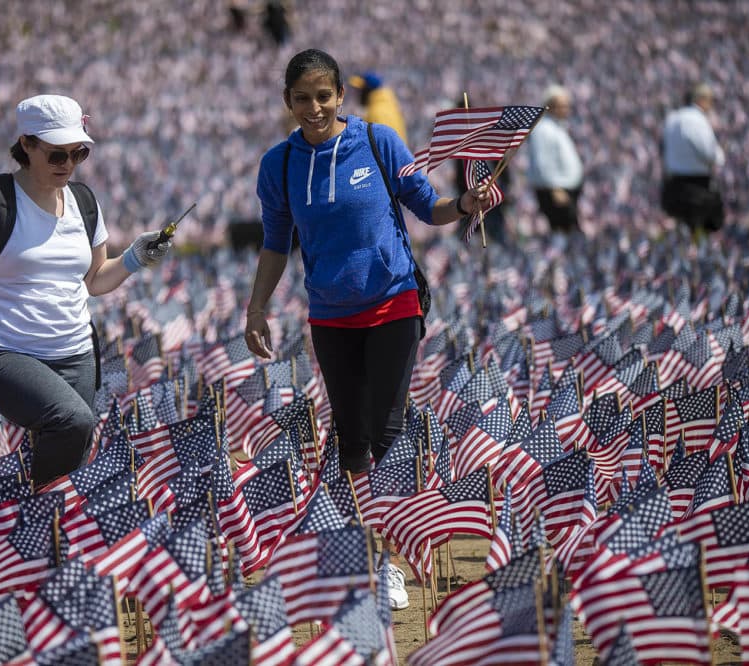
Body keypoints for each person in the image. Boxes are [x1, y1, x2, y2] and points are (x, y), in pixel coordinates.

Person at [244, 48, 488, 611]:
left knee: (388, 429)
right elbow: (276, 243)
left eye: (323, 96)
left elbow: (429, 207)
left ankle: (395, 560)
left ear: (340, 97)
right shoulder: (278, 166)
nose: (313, 107)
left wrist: (467, 203)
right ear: (288, 101)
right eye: (302, 98)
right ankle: (368, 557)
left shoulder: (379, 143)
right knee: (350, 437)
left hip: (394, 302)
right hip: (330, 314)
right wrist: (256, 308)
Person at [0, 94, 170, 488]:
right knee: (74, 422)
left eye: (79, 154)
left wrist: (135, 258)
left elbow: (94, 280)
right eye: (57, 155)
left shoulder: (84, 201)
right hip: (5, 349)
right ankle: (35, 516)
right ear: (26, 144)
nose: (69, 165)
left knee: (69, 464)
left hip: (75, 350)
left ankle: (52, 538)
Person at [661, 82, 726, 234]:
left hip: (672, 187)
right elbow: (709, 154)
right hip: (697, 188)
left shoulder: (672, 118)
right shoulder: (697, 120)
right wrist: (720, 153)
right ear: (701, 100)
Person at [526, 84, 584, 233]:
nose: (566, 110)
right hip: (555, 190)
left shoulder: (556, 126)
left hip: (563, 188)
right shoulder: (544, 129)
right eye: (562, 106)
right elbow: (543, 162)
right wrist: (554, 188)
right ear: (550, 107)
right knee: (565, 232)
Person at [348, 70, 408, 145]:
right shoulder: (384, 107)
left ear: (367, 90)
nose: (357, 94)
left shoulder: (378, 112)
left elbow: (382, 147)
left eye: (360, 91)